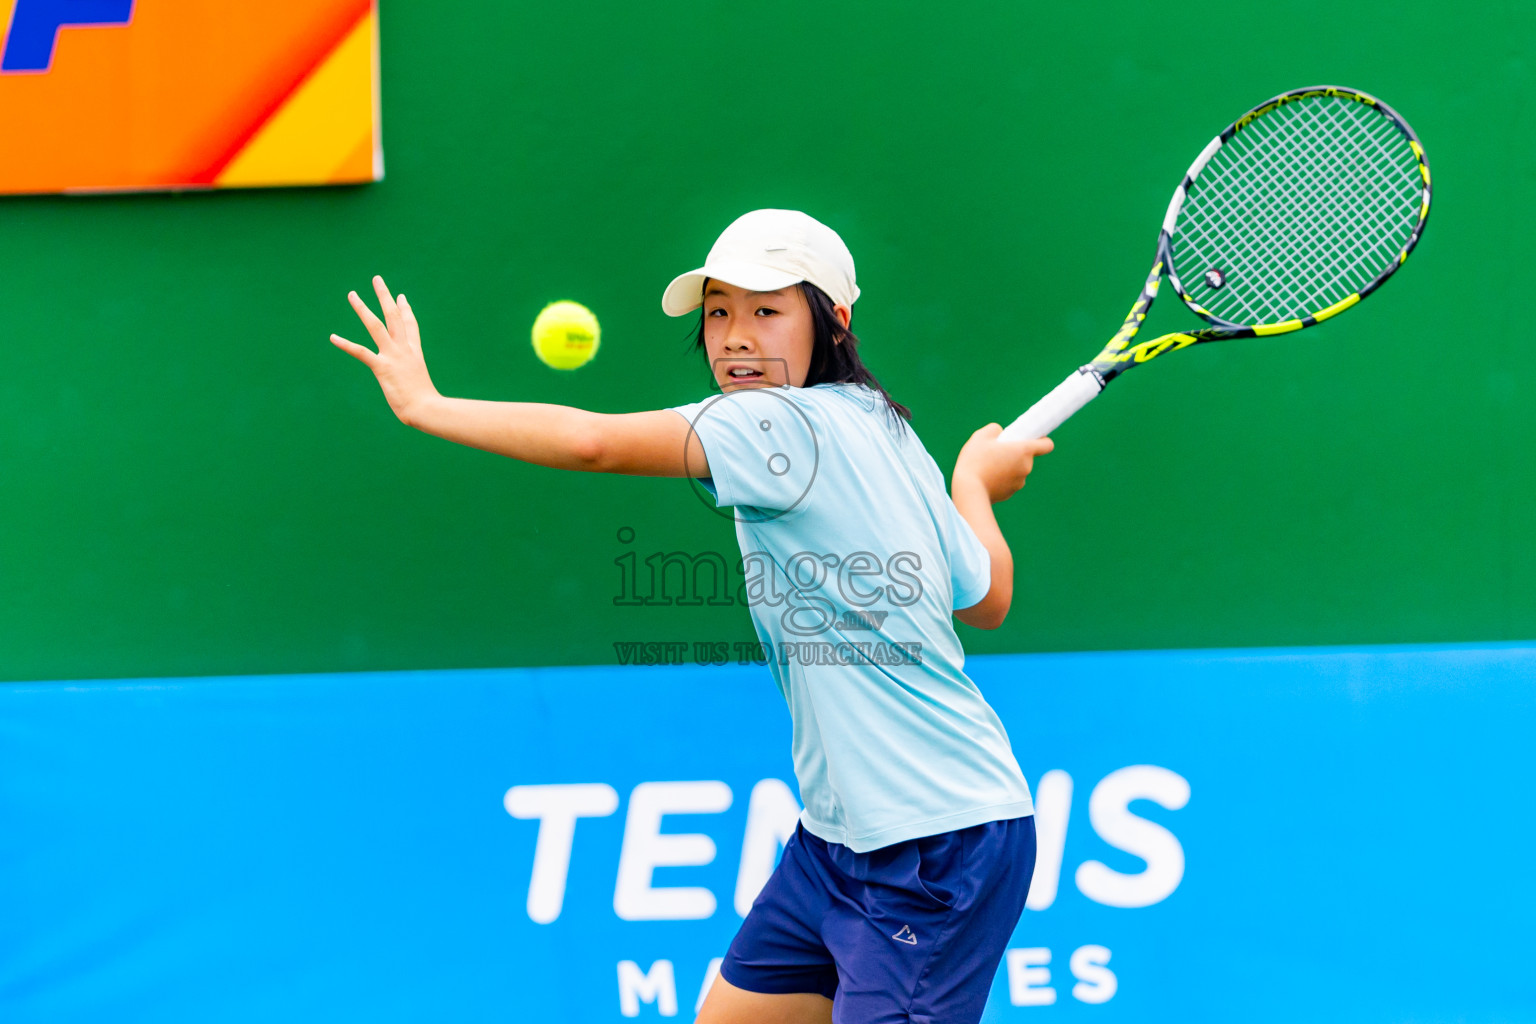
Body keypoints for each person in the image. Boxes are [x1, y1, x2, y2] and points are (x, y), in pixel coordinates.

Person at [331, 209, 1054, 1024]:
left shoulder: (774, 424)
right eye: (718, 312)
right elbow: (984, 596)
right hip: (837, 843)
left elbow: (592, 443)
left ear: (833, 320)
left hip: (936, 848)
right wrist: (974, 486)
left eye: (766, 310)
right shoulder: (886, 426)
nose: (736, 337)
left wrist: (430, 406)